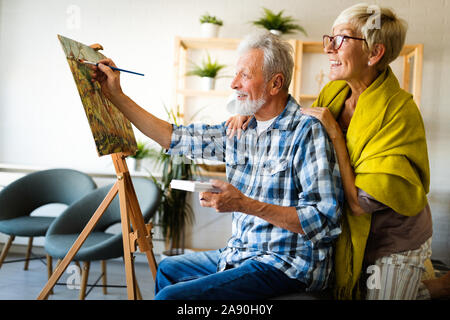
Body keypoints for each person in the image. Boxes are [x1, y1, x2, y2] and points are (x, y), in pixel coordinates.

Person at [90, 31, 343, 300]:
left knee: (170, 298)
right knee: (166, 269)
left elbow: (324, 220)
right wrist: (115, 95)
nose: (233, 84)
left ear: (275, 83)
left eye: (244, 75)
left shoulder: (306, 131)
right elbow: (172, 137)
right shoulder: (240, 129)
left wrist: (245, 204)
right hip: (243, 252)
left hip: (286, 263)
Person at [226, 3, 450, 300]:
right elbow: (294, 123)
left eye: (341, 39)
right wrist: (253, 112)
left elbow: (359, 204)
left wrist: (335, 133)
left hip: (393, 238)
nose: (329, 48)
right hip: (349, 234)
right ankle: (427, 286)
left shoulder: (399, 111)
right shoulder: (334, 93)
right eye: (329, 38)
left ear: (374, 53)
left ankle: (431, 284)